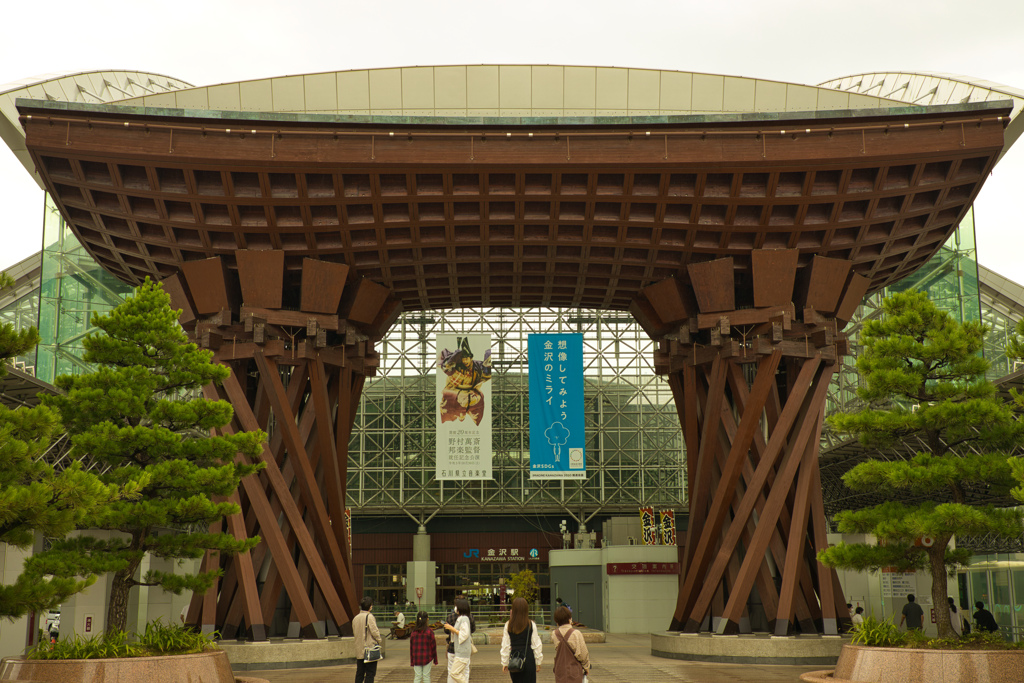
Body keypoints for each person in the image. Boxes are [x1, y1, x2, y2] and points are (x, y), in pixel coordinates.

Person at [500, 596, 543, 683]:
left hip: (515, 659)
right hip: (528, 658)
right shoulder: (531, 624)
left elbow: (506, 645)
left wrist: (504, 662)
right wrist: (538, 661)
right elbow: (536, 644)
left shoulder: (508, 624)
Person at [552, 605, 589, 683]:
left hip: (560, 670)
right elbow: (583, 654)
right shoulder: (576, 633)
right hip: (574, 670)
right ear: (570, 619)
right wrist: (586, 667)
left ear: (556, 621)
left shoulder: (554, 634)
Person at [443, 598, 474, 683]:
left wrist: (451, 629)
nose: (455, 608)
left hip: (462, 652)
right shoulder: (461, 618)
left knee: (454, 673)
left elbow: (464, 634)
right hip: (459, 651)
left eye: (456, 606)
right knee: (462, 672)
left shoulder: (464, 619)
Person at [353, 596, 382, 683]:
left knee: (360, 673)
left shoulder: (355, 618)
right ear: (370, 606)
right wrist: (379, 640)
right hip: (369, 649)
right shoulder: (369, 617)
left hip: (359, 650)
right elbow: (375, 631)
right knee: (370, 673)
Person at [409, 611, 438, 683]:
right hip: (427, 658)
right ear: (427, 619)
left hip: (416, 658)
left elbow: (411, 648)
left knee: (417, 676)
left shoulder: (413, 633)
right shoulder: (429, 632)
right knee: (426, 676)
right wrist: (435, 659)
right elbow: (433, 647)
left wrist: (412, 660)